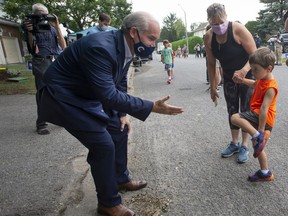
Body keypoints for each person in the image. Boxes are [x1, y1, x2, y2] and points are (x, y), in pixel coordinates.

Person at [38, 11, 184, 216]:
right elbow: (108, 95)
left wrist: (122, 113)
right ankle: (108, 203)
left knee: (119, 127)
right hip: (62, 97)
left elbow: (120, 81)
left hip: (87, 92)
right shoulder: (100, 47)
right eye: (151, 38)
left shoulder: (125, 45)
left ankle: (120, 178)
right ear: (134, 32)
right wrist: (151, 106)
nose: (153, 44)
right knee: (102, 145)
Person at [204, 3, 257, 163]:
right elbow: (211, 64)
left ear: (226, 18)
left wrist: (242, 71)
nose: (219, 26)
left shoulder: (238, 29)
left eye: (221, 22)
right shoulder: (209, 36)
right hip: (228, 77)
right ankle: (234, 143)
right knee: (232, 110)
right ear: (209, 21)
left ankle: (245, 145)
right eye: (214, 24)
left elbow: (255, 55)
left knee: (245, 109)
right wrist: (213, 88)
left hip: (247, 75)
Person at [231, 47, 278, 182]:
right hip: (261, 118)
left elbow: (264, 109)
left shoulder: (271, 87)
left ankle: (257, 136)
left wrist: (260, 131)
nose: (253, 72)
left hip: (264, 118)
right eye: (252, 68)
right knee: (258, 148)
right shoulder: (263, 79)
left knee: (235, 117)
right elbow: (255, 84)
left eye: (255, 69)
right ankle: (265, 172)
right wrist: (243, 81)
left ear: (268, 69)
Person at [24, 3, 66, 135]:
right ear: (34, 14)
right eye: (39, 13)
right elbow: (33, 49)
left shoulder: (52, 28)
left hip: (55, 61)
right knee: (42, 93)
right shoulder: (31, 28)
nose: (42, 16)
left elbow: (63, 46)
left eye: (44, 13)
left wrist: (57, 25)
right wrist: (30, 32)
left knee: (59, 91)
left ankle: (60, 119)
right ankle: (41, 123)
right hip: (41, 61)